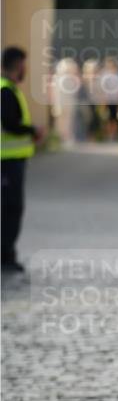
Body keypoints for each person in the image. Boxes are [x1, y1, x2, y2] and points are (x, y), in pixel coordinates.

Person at [1, 47, 41, 272]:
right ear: (17, 65)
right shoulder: (5, 91)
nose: (26, 69)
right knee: (10, 208)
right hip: (6, 160)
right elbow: (10, 124)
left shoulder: (9, 89)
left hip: (12, 159)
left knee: (10, 207)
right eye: (25, 64)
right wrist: (32, 129)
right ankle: (5, 255)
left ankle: (6, 253)